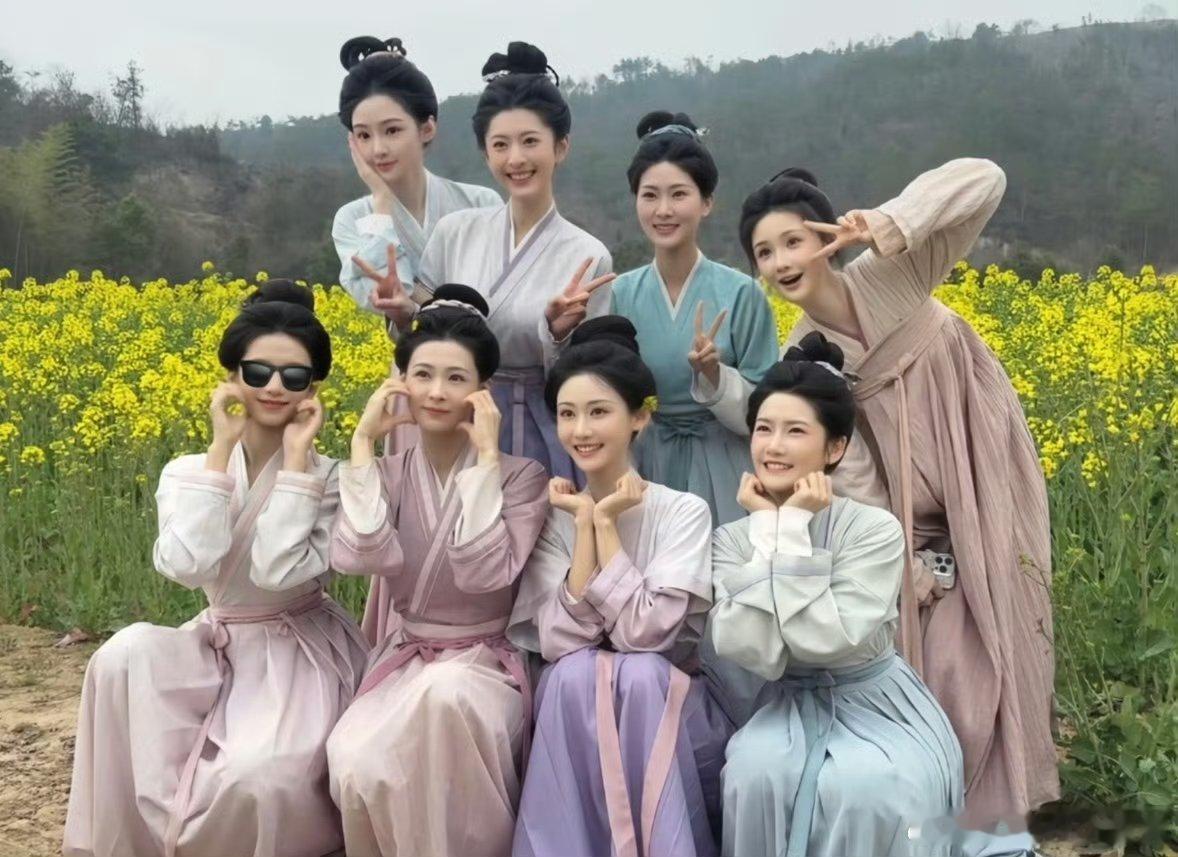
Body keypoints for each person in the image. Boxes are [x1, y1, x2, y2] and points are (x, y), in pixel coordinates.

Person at [738, 159, 1057, 826]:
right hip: (912, 503)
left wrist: (886, 223)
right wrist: (900, 558)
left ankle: (1012, 797)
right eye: (765, 252)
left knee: (1006, 600)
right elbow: (852, 470)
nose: (781, 261)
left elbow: (986, 180)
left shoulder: (891, 272)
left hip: (976, 449)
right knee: (942, 650)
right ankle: (944, 803)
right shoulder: (804, 355)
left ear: (825, 238)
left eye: (793, 241)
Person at [64, 280, 368, 857]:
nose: (274, 387)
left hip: (299, 653)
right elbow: (185, 566)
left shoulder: (332, 478)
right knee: (122, 654)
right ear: (231, 377)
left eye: (294, 376)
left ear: (314, 388)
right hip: (217, 639)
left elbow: (279, 573)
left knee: (262, 776)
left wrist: (297, 464)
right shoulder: (188, 470)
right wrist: (220, 451)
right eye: (257, 372)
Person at [710, 333, 1035, 857]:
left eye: (795, 431)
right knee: (751, 772)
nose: (773, 446)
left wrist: (787, 533)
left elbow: (826, 642)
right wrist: (772, 530)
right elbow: (750, 649)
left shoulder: (874, 530)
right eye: (764, 428)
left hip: (878, 707)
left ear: (835, 447)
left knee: (871, 788)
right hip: (789, 705)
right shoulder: (733, 538)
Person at [325, 285, 548, 857]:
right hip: (407, 658)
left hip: (484, 666)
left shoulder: (522, 477)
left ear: (482, 391)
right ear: (400, 382)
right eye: (422, 375)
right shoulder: (386, 472)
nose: (437, 392)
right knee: (353, 760)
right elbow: (363, 558)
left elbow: (485, 575)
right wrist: (361, 443)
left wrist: (487, 462)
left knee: (447, 698)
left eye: (456, 378)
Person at [508, 316, 730, 857]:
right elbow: (560, 644)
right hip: (579, 708)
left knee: (640, 674)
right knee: (573, 675)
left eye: (598, 412)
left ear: (640, 417)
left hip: (667, 706)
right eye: (567, 414)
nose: (580, 430)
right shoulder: (558, 515)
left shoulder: (683, 512)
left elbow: (647, 637)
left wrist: (606, 525)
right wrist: (584, 525)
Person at [357, 41, 615, 479]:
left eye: (530, 141)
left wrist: (556, 334)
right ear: (485, 153)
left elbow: (587, 378)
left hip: (538, 430)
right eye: (500, 144)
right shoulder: (455, 231)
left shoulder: (587, 254)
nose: (516, 158)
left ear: (561, 146)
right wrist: (404, 316)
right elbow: (430, 335)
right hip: (452, 425)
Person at [610, 110, 778, 524]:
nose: (663, 210)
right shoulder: (619, 294)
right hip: (646, 462)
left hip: (726, 464)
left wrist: (716, 378)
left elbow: (767, 409)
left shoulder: (742, 293)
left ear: (706, 203)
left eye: (679, 194)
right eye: (650, 195)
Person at [332, 35, 500, 317]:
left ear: (426, 128)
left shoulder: (480, 203)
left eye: (392, 130)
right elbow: (383, 296)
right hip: (411, 347)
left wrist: (417, 305)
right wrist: (381, 203)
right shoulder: (351, 219)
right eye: (364, 135)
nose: (378, 149)